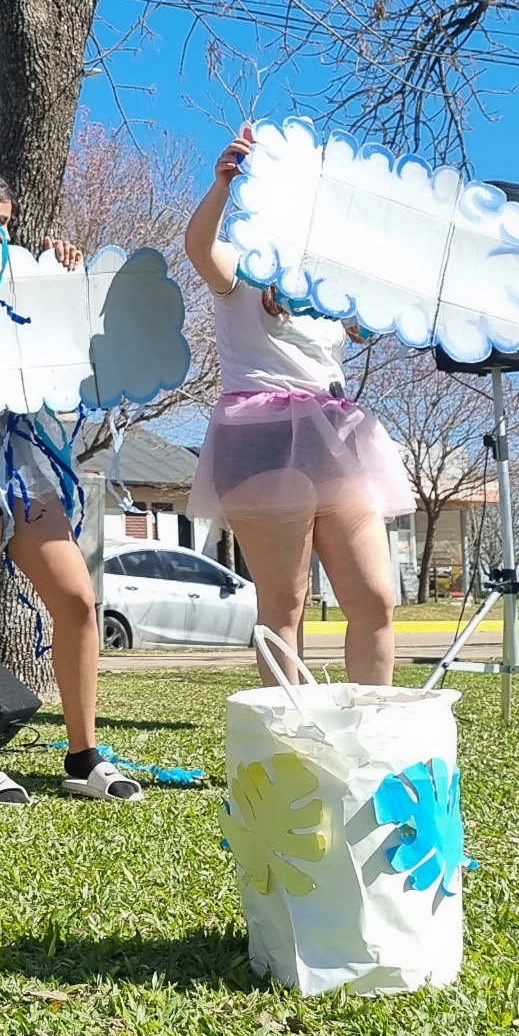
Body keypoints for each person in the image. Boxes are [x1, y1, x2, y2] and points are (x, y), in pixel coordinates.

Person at [0, 104, 143, 807]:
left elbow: (66, 352)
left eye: (9, 220)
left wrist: (65, 285)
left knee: (77, 597)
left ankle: (83, 754)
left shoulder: (22, 267)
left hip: (28, 456)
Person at [183, 124, 415, 683]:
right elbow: (198, 249)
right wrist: (222, 183)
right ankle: (292, 745)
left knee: (376, 599)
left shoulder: (333, 287)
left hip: (333, 434)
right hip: (262, 437)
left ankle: (369, 730)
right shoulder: (241, 268)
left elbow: (406, 306)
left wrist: (503, 284)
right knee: (285, 605)